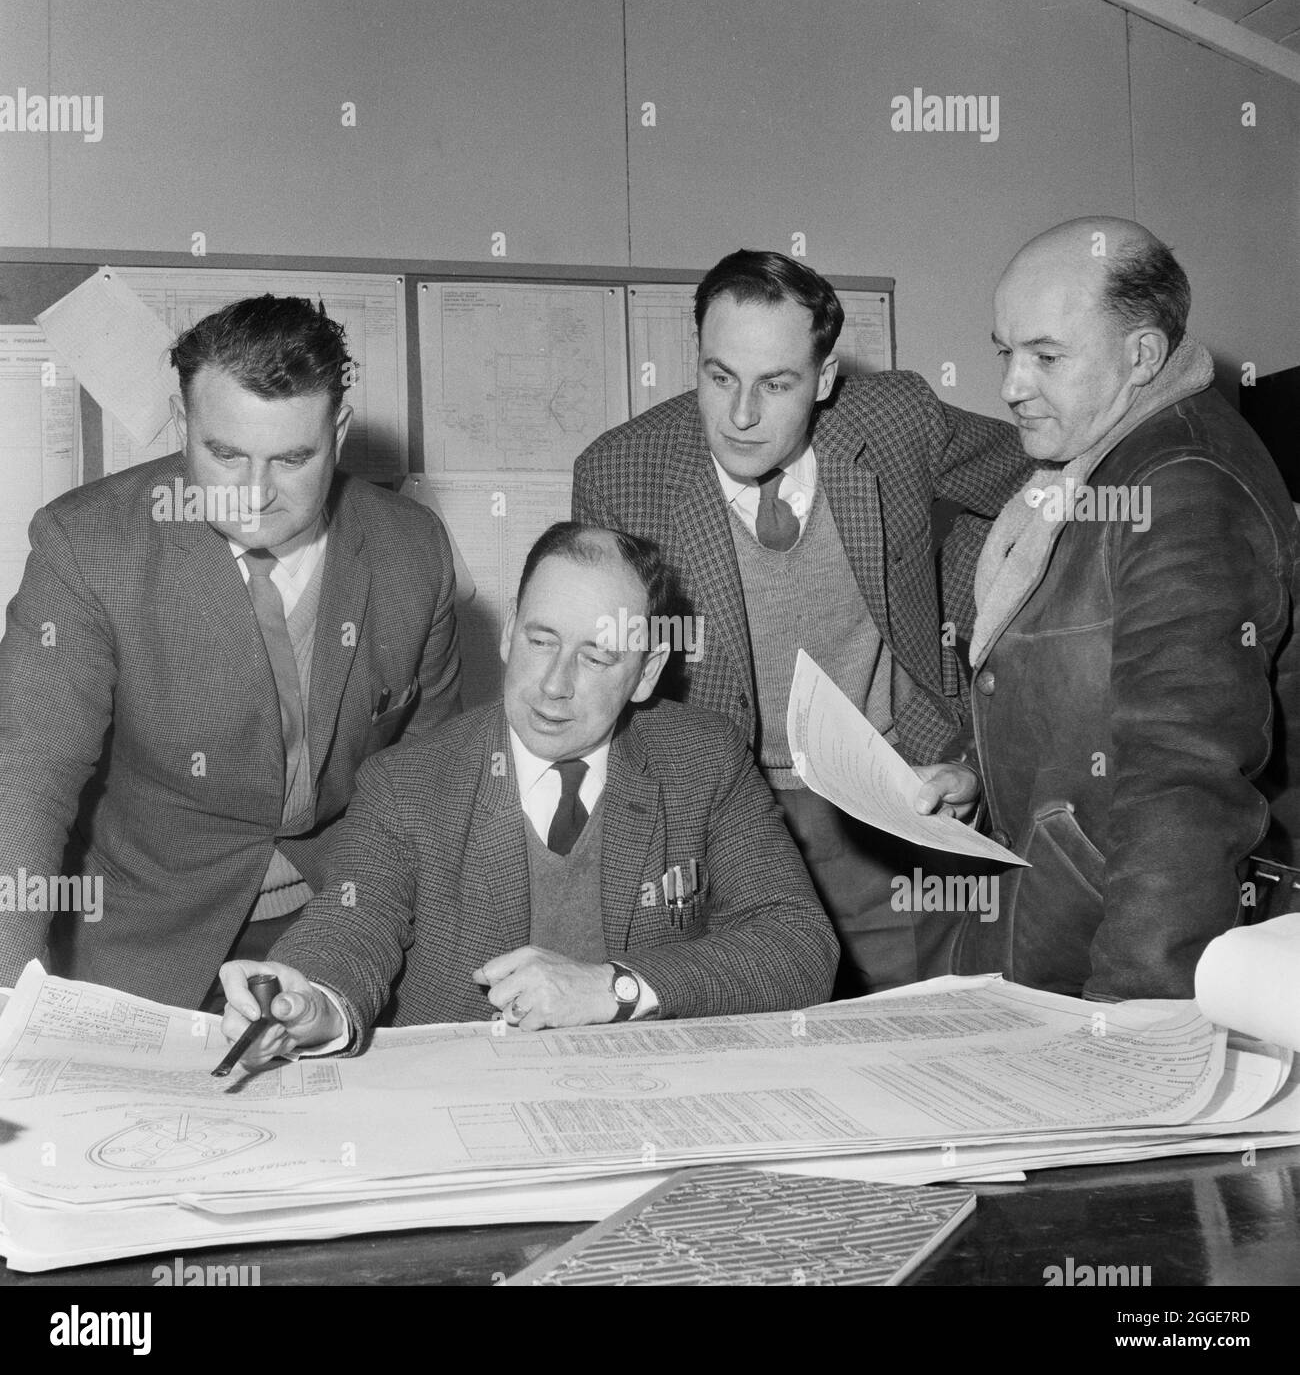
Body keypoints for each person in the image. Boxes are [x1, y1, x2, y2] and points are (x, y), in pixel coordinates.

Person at [572, 249, 1033, 994]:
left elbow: (1036, 473)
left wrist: (961, 594)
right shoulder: (621, 474)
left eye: (775, 384)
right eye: (719, 377)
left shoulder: (896, 422)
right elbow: (610, 688)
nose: (741, 415)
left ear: (823, 380)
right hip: (722, 809)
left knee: (906, 1037)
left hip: (888, 798)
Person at [217, 524, 838, 1057]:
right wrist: (311, 998)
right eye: (541, 641)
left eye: (596, 658)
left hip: (650, 1092)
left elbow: (801, 944)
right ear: (510, 630)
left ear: (646, 673)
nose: (553, 685)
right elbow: (354, 922)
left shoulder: (701, 759)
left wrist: (615, 988)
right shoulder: (406, 783)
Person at [0, 295, 461, 1008]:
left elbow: (434, 783)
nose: (254, 495)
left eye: (292, 459)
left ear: (337, 431)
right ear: (184, 425)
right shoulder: (87, 547)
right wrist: (8, 998)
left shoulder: (412, 550)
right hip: (144, 936)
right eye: (225, 454)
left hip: (343, 929)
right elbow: (27, 777)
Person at [928, 216, 1299, 1000]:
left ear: (1141, 356)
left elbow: (1185, 778)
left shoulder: (1182, 484)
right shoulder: (1098, 464)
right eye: (1006, 351)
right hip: (1055, 927)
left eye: (1046, 357)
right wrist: (976, 767)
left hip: (1114, 959)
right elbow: (1069, 674)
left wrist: (1134, 1019)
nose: (1009, 386)